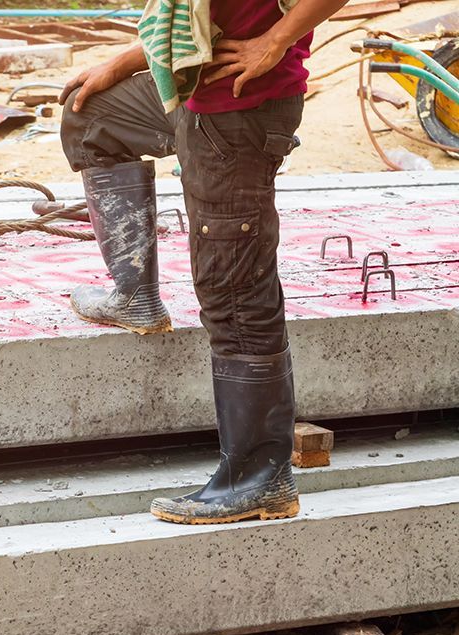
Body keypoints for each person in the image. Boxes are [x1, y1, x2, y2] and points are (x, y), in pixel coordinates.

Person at [59, 0, 349, 525]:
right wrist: (126, 62)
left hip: (237, 110)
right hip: (195, 88)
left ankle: (259, 479)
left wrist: (277, 38)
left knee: (234, 293)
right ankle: (134, 296)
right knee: (93, 114)